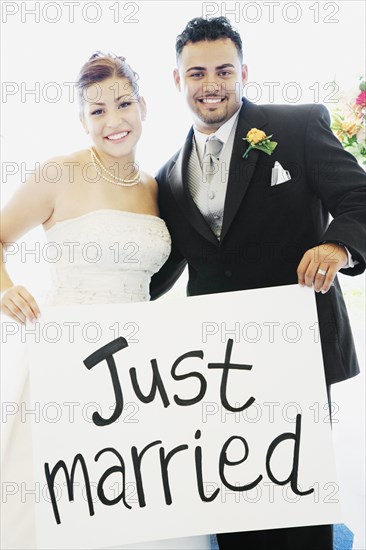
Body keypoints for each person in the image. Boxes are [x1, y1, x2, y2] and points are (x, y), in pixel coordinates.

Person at [150, 16, 366, 550]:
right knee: (231, 493)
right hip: (213, 365)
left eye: (224, 70)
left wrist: (336, 247)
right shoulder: (168, 176)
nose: (212, 84)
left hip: (297, 347)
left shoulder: (295, 128)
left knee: (298, 491)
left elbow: (359, 198)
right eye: (197, 73)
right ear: (178, 81)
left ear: (244, 71)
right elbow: (164, 270)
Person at [0, 52, 210, 550]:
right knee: (63, 495)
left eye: (123, 104)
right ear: (82, 120)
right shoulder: (58, 173)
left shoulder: (157, 189)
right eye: (97, 111)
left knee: (137, 491)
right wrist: (7, 289)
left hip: (141, 367)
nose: (113, 121)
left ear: (143, 106)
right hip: (69, 355)